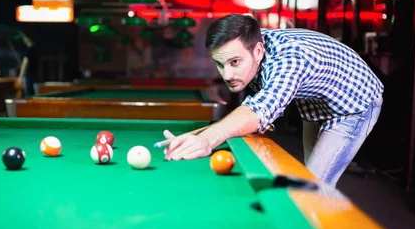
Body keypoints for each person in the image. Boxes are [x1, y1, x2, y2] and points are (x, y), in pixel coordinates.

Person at [163, 13, 384, 186]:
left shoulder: (288, 61)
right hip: (314, 103)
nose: (226, 75)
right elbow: (258, 104)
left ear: (258, 51)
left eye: (234, 62)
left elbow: (259, 110)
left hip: (354, 104)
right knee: (309, 174)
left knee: (315, 184)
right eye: (220, 64)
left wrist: (207, 139)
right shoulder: (251, 42)